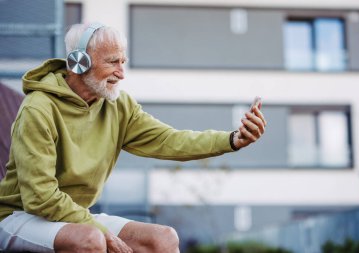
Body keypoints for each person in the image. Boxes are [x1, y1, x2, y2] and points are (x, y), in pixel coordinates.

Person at [0, 23, 267, 253]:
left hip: (73, 217)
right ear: (78, 62)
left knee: (163, 238)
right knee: (90, 240)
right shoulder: (39, 108)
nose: (122, 73)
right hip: (20, 216)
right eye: (112, 62)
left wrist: (232, 140)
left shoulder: (118, 106)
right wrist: (98, 229)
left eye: (123, 62)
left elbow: (169, 140)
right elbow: (41, 197)